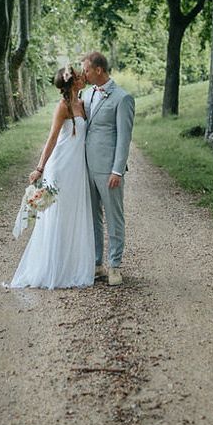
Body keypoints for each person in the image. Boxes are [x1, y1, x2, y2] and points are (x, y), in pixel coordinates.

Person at [7, 64, 95, 289]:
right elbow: (52, 139)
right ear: (71, 82)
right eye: (77, 76)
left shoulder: (83, 104)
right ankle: (53, 269)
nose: (82, 77)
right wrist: (39, 167)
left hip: (77, 168)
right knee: (57, 216)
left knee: (74, 213)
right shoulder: (62, 107)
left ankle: (73, 265)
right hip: (60, 167)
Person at [81, 51, 135, 286]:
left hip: (108, 170)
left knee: (114, 218)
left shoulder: (122, 98)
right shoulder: (87, 94)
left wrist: (117, 170)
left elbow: (124, 138)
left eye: (86, 69)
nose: (84, 73)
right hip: (87, 167)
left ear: (98, 70)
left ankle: (115, 266)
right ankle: (96, 263)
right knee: (93, 217)